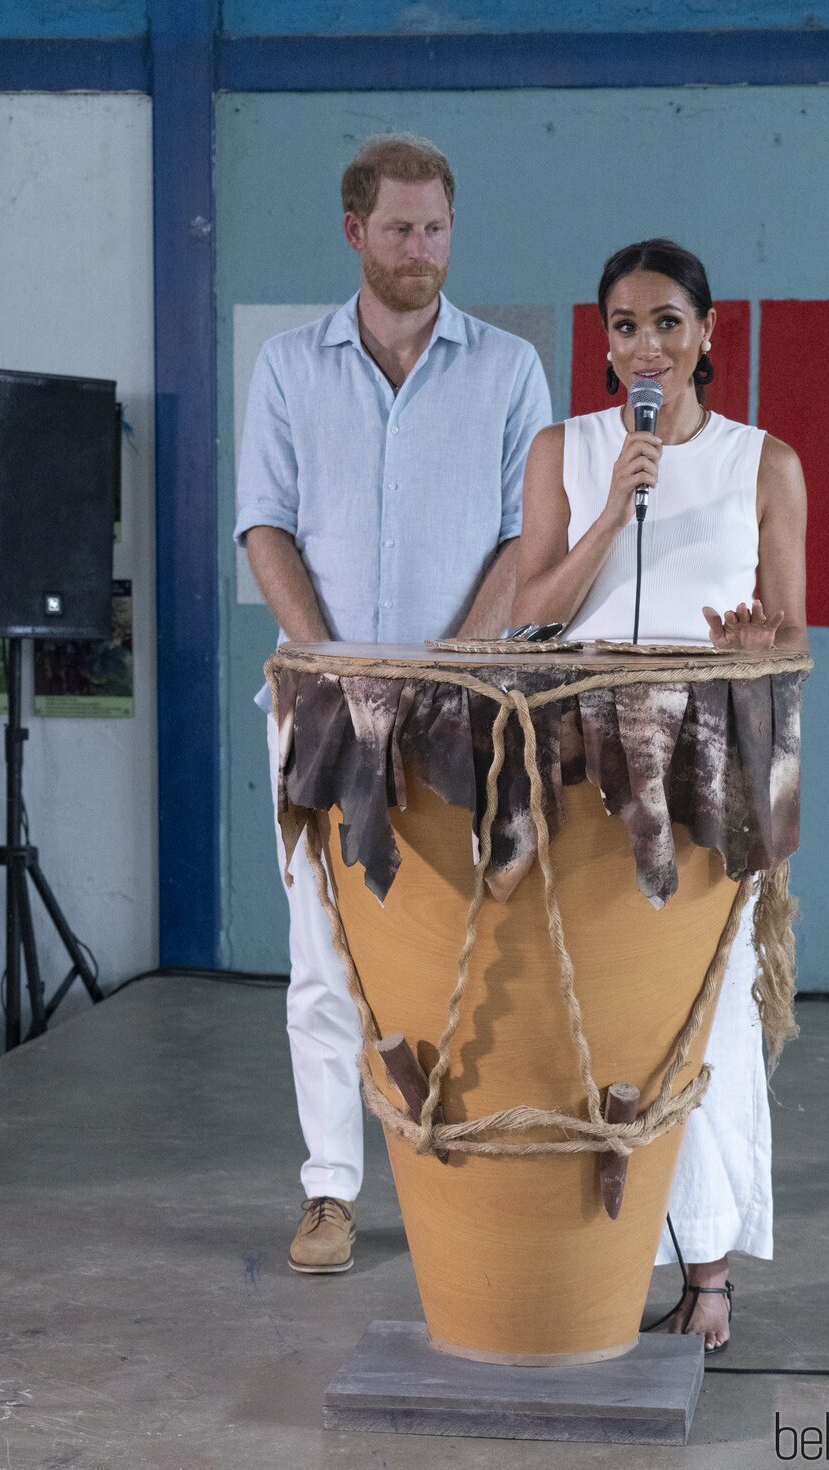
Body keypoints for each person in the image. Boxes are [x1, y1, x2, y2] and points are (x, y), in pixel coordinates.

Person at [233, 135, 551, 1275]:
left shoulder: (509, 368)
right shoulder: (285, 367)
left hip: (461, 712)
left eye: (436, 229)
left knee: (466, 953)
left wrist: (444, 671)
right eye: (399, 229)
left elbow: (528, 535)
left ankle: (449, 1175)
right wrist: (333, 668)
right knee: (322, 955)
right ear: (353, 231)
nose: (420, 251)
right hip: (316, 707)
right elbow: (263, 523)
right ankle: (329, 1194)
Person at [512, 237, 808, 1351]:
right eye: (626, 325)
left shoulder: (763, 462)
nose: (648, 343)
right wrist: (608, 511)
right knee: (590, 1013)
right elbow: (530, 610)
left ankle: (711, 1274)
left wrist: (749, 652)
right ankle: (591, 1257)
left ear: (707, 335)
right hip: (580, 764)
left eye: (668, 323)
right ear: (603, 344)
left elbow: (792, 642)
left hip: (713, 768)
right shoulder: (566, 450)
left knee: (707, 1015)